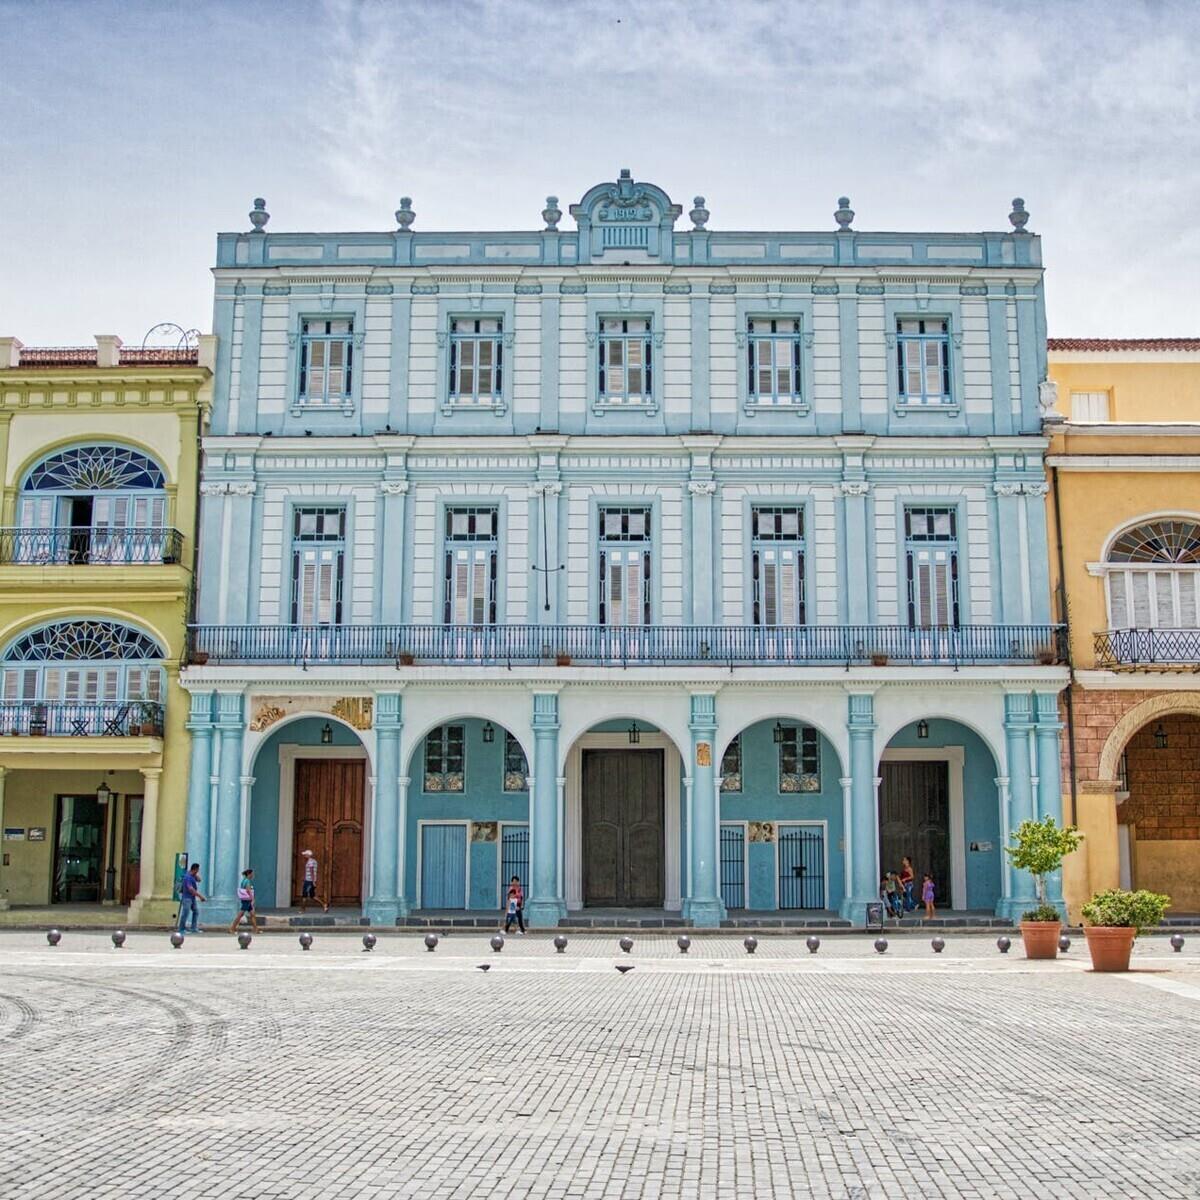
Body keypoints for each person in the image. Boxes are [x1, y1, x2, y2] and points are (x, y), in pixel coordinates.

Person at [229, 867, 260, 935]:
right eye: (252, 874)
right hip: (247, 900)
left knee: (252, 914)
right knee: (240, 915)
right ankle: (232, 928)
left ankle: (256, 929)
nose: (253, 875)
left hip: (246, 900)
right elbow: (248, 890)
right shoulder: (247, 881)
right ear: (249, 874)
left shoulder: (244, 880)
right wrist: (252, 898)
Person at [178, 863, 206, 935]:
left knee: (196, 912)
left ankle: (193, 928)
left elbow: (199, 880)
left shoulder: (192, 876)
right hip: (187, 898)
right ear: (195, 869)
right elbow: (191, 889)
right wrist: (200, 896)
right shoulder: (187, 877)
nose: (198, 871)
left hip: (192, 898)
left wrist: (195, 874)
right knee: (185, 913)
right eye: (198, 870)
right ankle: (181, 929)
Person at [299, 849, 327, 914]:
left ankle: (303, 909)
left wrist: (313, 881)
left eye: (305, 854)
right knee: (312, 896)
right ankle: (324, 905)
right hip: (309, 880)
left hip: (309, 881)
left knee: (304, 895)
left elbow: (311, 871)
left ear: (308, 855)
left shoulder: (310, 862)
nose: (304, 855)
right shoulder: (313, 861)